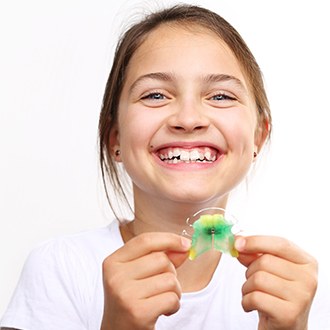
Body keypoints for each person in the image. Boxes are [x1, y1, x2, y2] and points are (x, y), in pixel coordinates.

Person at [1, 4, 326, 330]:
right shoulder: (60, 268)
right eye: (155, 95)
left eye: (221, 96)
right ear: (115, 137)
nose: (188, 119)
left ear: (259, 136)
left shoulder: (300, 290)